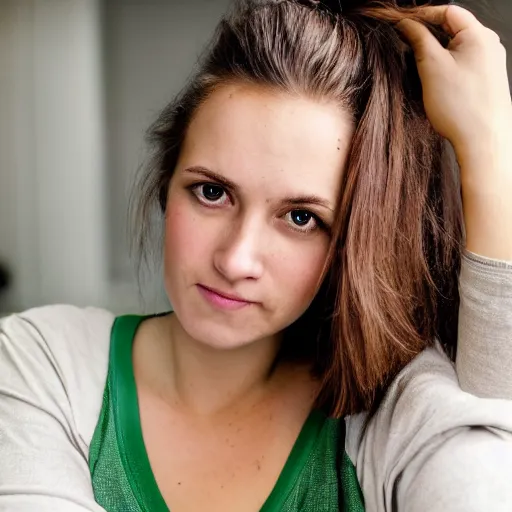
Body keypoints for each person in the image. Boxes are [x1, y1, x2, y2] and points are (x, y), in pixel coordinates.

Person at [1, 0, 511, 510]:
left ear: (351, 242)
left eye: (300, 218)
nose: (235, 260)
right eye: (212, 193)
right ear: (166, 185)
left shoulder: (391, 418)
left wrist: (489, 154)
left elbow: (489, 459)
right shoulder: (38, 366)